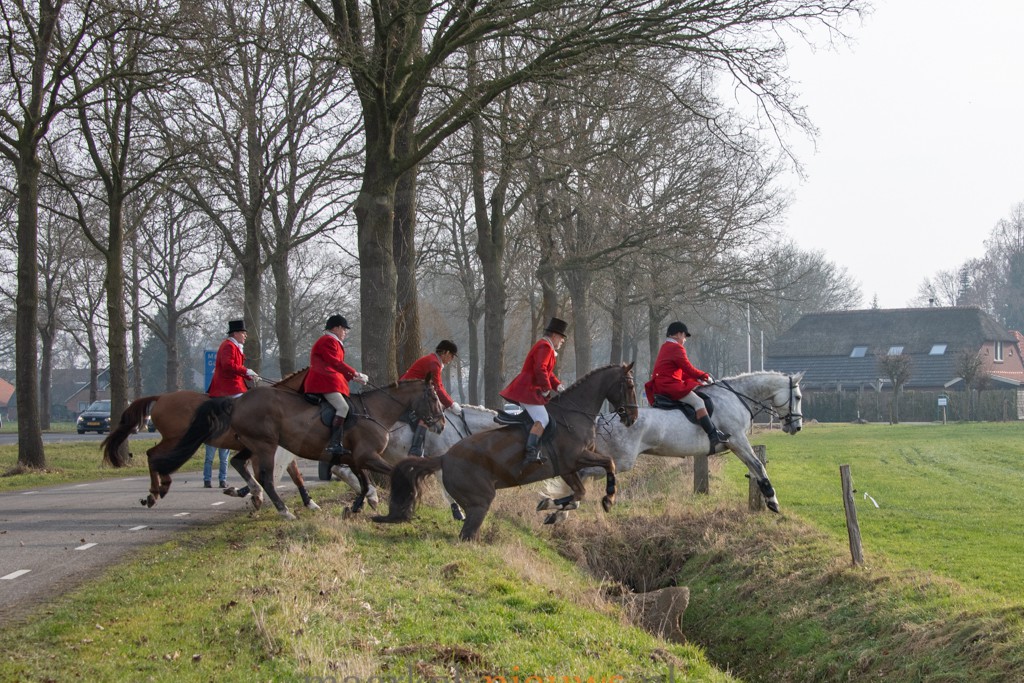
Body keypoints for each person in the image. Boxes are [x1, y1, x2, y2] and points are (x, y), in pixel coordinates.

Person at [645, 321, 730, 454]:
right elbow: (688, 368)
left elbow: (679, 371)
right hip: (670, 386)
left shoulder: (665, 346)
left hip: (662, 384)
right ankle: (713, 435)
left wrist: (697, 378)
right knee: (699, 402)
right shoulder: (676, 348)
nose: (684, 340)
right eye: (684, 336)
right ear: (678, 334)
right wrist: (705, 376)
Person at [500, 317, 568, 464]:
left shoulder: (546, 346)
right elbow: (540, 369)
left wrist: (558, 386)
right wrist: (545, 389)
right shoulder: (545, 347)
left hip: (526, 387)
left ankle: (529, 448)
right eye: (562, 338)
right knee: (543, 419)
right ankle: (530, 453)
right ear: (555, 336)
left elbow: (548, 373)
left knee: (536, 419)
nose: (562, 341)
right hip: (528, 389)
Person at [304, 314, 368, 459]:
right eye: (344, 329)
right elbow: (334, 363)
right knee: (343, 407)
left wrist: (354, 378)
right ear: (337, 328)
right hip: (323, 381)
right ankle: (334, 443)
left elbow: (336, 366)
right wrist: (354, 373)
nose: (345, 332)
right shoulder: (328, 341)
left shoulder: (333, 342)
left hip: (330, 380)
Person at [205, 319, 258, 488]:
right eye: (243, 333)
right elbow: (228, 366)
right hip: (226, 387)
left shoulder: (234, 346)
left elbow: (235, 368)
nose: (245, 335)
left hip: (235, 384)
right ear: (235, 333)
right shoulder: (228, 345)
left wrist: (249, 375)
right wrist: (245, 370)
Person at [399, 340, 460, 456]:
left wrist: (448, 402)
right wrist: (451, 404)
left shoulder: (434, 361)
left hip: (412, 391)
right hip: (408, 393)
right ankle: (415, 450)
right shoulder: (434, 363)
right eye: (451, 356)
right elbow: (438, 387)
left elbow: (438, 386)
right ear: (445, 352)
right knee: (428, 416)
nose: (451, 359)